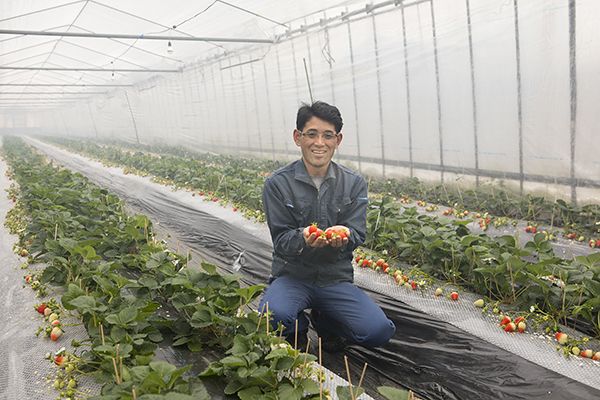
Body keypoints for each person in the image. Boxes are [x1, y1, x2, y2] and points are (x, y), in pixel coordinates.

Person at [259, 101, 395, 351]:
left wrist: (344, 237)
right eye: (311, 134)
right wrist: (303, 238)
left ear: (337, 140)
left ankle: (327, 322)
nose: (319, 143)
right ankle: (295, 325)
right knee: (272, 317)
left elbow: (357, 233)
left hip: (335, 279)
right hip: (293, 276)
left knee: (378, 331)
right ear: (297, 137)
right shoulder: (277, 184)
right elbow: (281, 240)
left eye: (327, 135)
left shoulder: (354, 183)